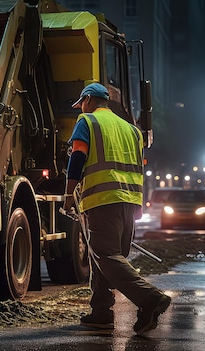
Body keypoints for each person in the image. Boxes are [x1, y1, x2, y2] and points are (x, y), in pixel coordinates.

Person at [63, 82, 171, 335]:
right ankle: (101, 313)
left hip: (104, 199)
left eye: (82, 104)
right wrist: (139, 205)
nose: (81, 109)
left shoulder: (87, 122)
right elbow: (138, 167)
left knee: (105, 255)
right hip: (130, 202)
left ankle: (150, 298)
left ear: (88, 100)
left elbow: (77, 157)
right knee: (108, 258)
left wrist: (69, 194)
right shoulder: (132, 130)